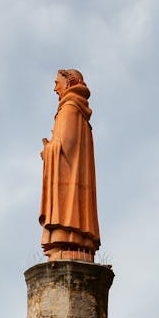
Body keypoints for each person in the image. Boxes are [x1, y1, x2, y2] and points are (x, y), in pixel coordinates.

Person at [39, 69, 100, 260]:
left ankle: (69, 238)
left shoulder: (70, 108)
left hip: (68, 174)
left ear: (69, 83)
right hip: (71, 172)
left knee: (68, 209)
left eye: (58, 83)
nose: (55, 88)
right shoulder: (75, 110)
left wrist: (48, 150)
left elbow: (66, 144)